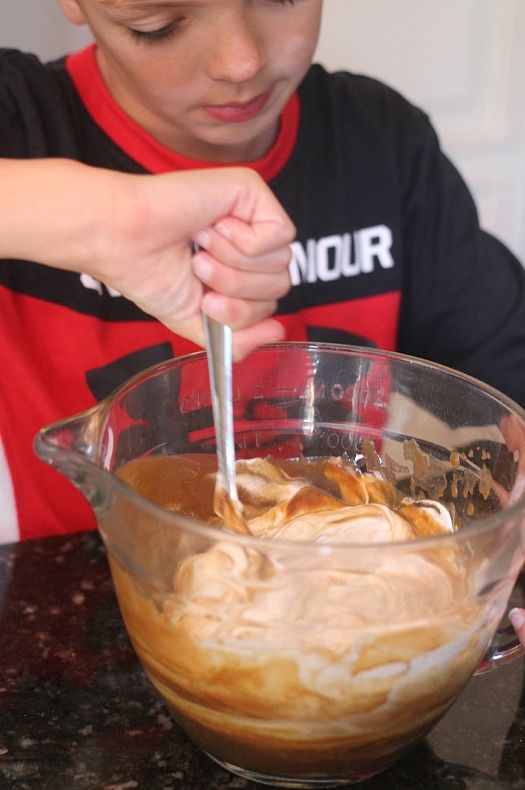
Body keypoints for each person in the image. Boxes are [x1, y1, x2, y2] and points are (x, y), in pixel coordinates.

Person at [1, 0, 525, 572]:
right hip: (76, 591)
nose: (241, 62)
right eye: (158, 26)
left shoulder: (382, 143)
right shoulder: (22, 122)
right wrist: (98, 218)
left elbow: (504, 365)